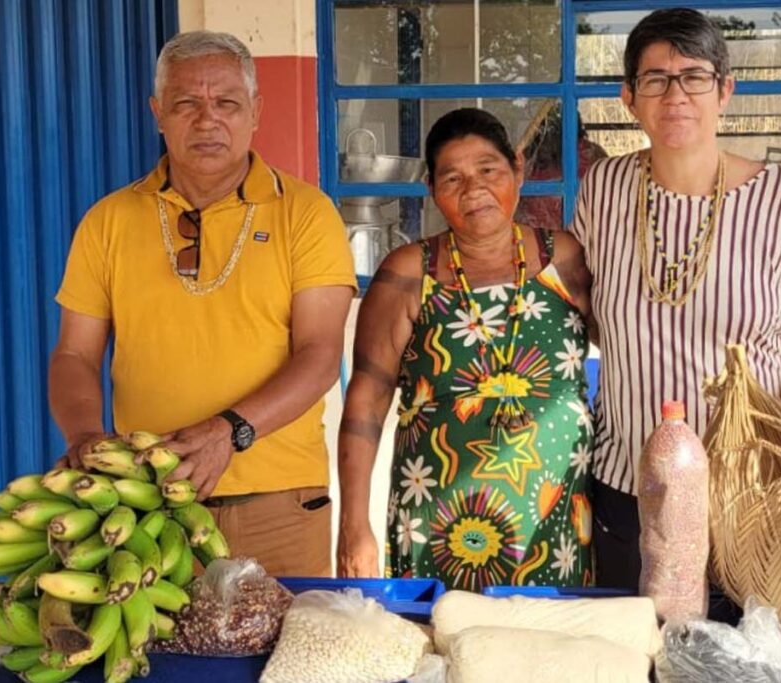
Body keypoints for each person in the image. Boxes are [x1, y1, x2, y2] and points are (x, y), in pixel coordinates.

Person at [49, 31, 356, 577]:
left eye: (227, 103)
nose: (207, 119)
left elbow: (318, 355)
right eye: (186, 103)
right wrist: (83, 437)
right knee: (158, 659)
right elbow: (74, 355)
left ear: (256, 111)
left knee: (283, 659)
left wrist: (228, 432)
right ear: (157, 113)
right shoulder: (108, 221)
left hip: (280, 503)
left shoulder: (306, 213)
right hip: (147, 501)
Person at [570, 9, 781, 590]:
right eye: (655, 78)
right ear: (629, 97)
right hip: (629, 486)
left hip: (749, 491)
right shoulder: (602, 189)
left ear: (725, 91)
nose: (675, 94)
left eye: (694, 76)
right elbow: (596, 320)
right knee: (639, 661)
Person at [336, 108, 595, 591]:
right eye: (452, 178)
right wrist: (354, 527)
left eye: (488, 170)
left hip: (554, 513)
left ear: (517, 169)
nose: (473, 189)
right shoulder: (408, 272)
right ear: (432, 188)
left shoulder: (564, 257)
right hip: (437, 518)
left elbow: (629, 339)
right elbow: (365, 403)